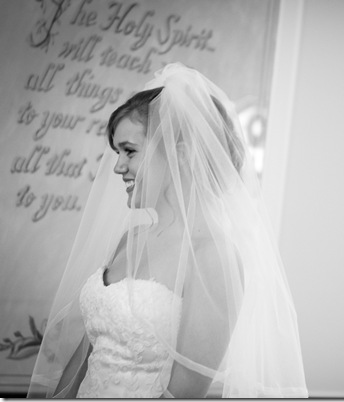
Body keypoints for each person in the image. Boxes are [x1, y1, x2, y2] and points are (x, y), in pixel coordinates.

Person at [27, 63, 308, 398]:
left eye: (129, 151)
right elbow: (87, 356)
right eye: (117, 152)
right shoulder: (130, 240)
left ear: (180, 153)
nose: (117, 166)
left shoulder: (212, 255)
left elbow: (184, 391)